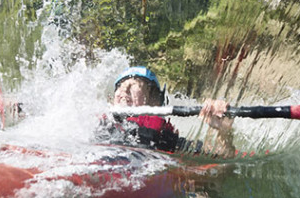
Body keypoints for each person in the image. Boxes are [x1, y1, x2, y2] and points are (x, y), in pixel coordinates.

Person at [99, 66, 235, 155]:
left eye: (133, 84)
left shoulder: (162, 136)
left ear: (154, 102)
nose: (124, 90)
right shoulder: (98, 123)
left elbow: (222, 157)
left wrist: (223, 131)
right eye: (120, 86)